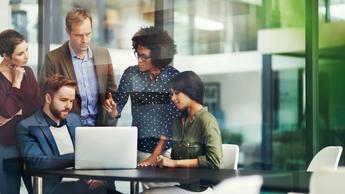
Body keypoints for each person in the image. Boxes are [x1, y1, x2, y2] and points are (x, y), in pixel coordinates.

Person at [16, 74, 116, 194]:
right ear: (48, 98)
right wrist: (80, 159)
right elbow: (37, 162)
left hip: (85, 186)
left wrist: (97, 177)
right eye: (63, 100)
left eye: (71, 101)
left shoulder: (75, 120)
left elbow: (91, 151)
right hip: (56, 190)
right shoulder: (27, 126)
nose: (68, 106)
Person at [103, 26, 180, 165]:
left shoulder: (173, 77)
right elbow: (117, 107)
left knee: (164, 186)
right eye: (138, 55)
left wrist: (153, 157)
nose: (139, 60)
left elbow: (173, 123)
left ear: (158, 57)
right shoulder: (131, 75)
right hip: (139, 147)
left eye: (144, 56)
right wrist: (113, 110)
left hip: (167, 150)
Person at [142, 71, 223, 194]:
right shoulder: (178, 122)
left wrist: (174, 163)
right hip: (181, 184)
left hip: (199, 189)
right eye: (171, 94)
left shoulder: (207, 121)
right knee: (147, 188)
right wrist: (164, 162)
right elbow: (176, 158)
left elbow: (214, 161)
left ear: (192, 92)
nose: (173, 98)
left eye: (177, 93)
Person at [38, 7, 117, 126]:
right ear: (68, 32)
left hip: (100, 126)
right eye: (79, 35)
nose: (85, 40)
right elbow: (43, 98)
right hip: (67, 128)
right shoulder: (53, 59)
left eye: (88, 34)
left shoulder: (103, 54)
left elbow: (112, 91)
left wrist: (111, 103)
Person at [0, 29, 43, 194]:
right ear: (6, 55)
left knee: (39, 189)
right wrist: (16, 82)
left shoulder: (29, 71)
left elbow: (38, 106)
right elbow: (7, 109)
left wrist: (13, 114)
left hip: (30, 142)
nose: (27, 56)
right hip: (7, 145)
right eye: (20, 53)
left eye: (27, 50)